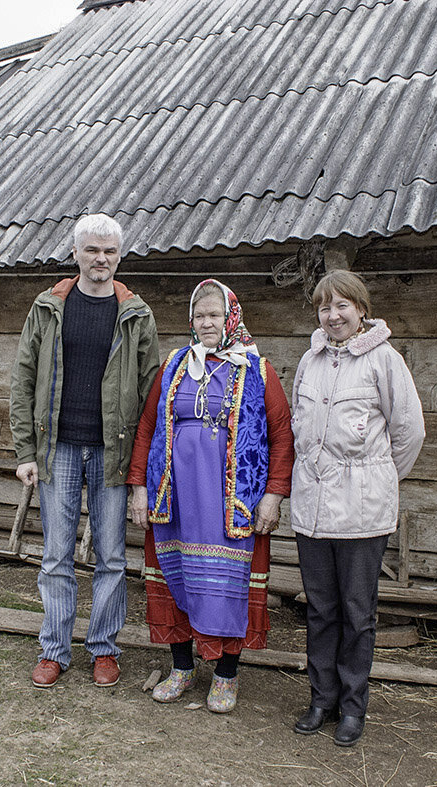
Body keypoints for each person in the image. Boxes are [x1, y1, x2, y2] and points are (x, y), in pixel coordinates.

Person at [128, 279, 294, 713]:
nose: (206, 323)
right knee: (176, 579)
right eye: (199, 316)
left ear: (230, 318)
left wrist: (274, 495)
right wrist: (139, 488)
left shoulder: (257, 369)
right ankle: (182, 668)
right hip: (176, 497)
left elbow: (281, 434)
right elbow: (147, 427)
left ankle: (225, 675)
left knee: (227, 587)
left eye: (214, 316)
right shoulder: (174, 365)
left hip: (229, 503)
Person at [10, 213, 159, 689]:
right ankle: (54, 650)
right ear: (75, 253)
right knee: (57, 555)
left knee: (111, 556)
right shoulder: (49, 307)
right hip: (58, 448)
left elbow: (150, 393)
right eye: (92, 250)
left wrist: (142, 465)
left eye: (110, 251)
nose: (101, 259)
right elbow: (23, 379)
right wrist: (25, 450)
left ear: (120, 256)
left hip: (112, 451)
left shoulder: (136, 314)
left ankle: (104, 649)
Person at [289, 270, 424, 745]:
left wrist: (376, 478)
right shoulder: (310, 360)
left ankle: (352, 706)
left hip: (362, 512)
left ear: (362, 309)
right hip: (312, 509)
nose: (333, 315)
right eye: (325, 307)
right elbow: (300, 427)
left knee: (357, 612)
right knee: (321, 610)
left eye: (342, 305)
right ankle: (321, 699)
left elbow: (409, 433)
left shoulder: (384, 361)